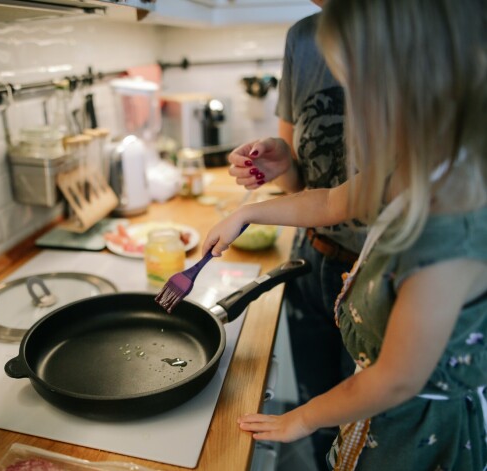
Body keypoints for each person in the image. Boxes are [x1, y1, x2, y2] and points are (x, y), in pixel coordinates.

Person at [205, 0, 486, 469]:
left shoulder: (449, 234)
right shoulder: (415, 165)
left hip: (416, 436)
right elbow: (331, 201)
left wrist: (305, 418)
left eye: (361, 90)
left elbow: (396, 379)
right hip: (376, 416)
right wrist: (248, 213)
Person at [227, 2, 359, 467]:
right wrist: (280, 162)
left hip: (384, 276)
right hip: (314, 260)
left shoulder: (430, 29)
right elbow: (312, 189)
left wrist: (253, 214)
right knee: (319, 417)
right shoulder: (304, 38)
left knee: (366, 432)